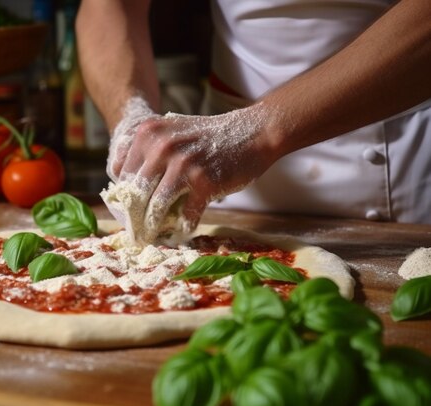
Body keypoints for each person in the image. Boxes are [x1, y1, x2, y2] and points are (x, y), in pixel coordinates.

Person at [75, 0, 431, 242]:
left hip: (397, 169)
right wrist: (130, 117)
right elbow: (109, 6)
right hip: (224, 180)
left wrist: (258, 132)